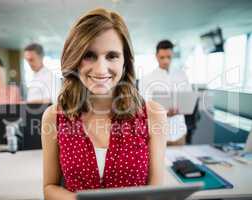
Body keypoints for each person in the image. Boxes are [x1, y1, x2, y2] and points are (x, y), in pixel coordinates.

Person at [41, 8, 167, 200]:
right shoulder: (54, 116)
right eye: (89, 55)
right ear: (74, 59)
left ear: (125, 62)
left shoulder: (153, 114)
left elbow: (156, 194)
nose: (101, 69)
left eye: (112, 56)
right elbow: (50, 187)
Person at [141, 40, 192, 145]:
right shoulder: (147, 79)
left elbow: (188, 99)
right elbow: (143, 106)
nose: (166, 61)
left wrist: (180, 108)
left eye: (169, 57)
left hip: (179, 133)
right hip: (157, 135)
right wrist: (163, 112)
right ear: (156, 56)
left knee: (181, 160)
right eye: (162, 57)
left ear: (172, 55)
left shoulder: (182, 75)